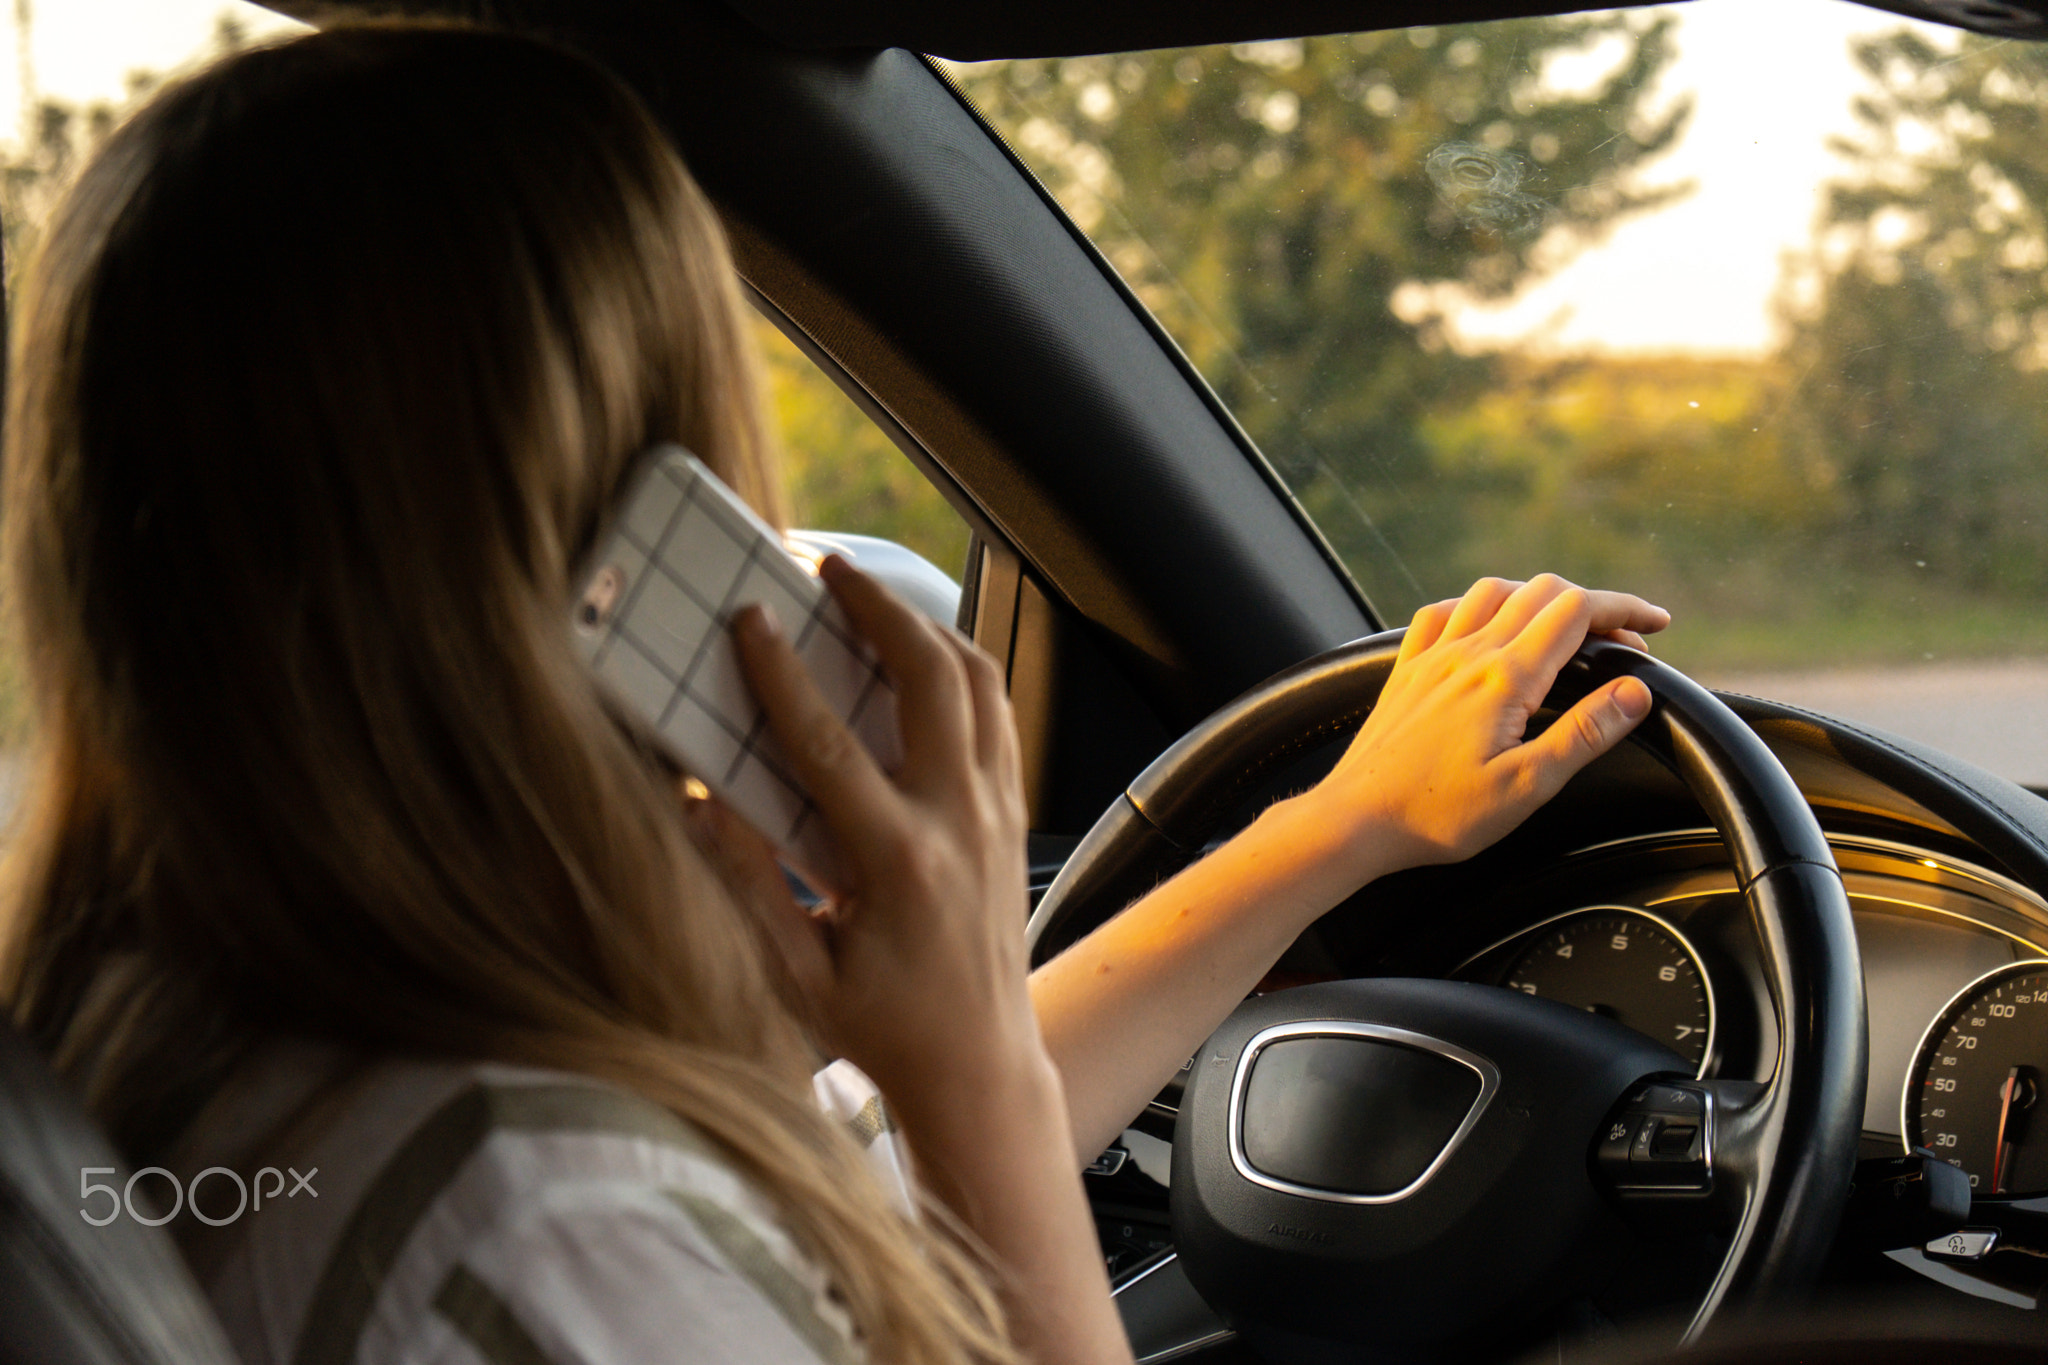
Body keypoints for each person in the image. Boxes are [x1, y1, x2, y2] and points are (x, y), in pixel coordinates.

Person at [0, 21, 1667, 1365]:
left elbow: (846, 1170)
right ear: (629, 547)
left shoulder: (186, 1040)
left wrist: (1336, 826)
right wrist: (982, 1097)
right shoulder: (540, 1224)